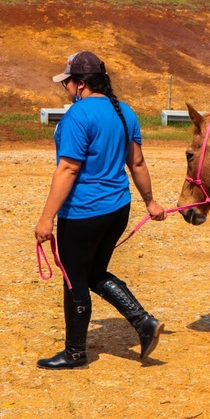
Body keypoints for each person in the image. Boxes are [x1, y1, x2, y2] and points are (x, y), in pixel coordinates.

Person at [34, 51, 167, 369]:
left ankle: (75, 353)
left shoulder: (77, 116)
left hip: (84, 212)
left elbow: (68, 168)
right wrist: (150, 201)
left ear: (80, 83)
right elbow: (137, 163)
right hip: (117, 209)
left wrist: (46, 218)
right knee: (93, 273)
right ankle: (143, 322)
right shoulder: (124, 112)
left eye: (67, 83)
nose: (66, 88)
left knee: (75, 279)